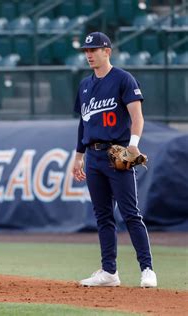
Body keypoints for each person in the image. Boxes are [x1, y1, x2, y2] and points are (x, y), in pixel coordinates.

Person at [71, 32, 157, 288]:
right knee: (103, 215)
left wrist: (132, 146)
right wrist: (78, 156)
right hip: (94, 156)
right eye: (86, 51)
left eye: (94, 50)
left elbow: (137, 116)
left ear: (107, 51)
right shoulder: (85, 85)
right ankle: (109, 272)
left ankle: (147, 269)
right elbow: (83, 123)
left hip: (116, 154)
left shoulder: (123, 79)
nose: (89, 54)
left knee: (130, 214)